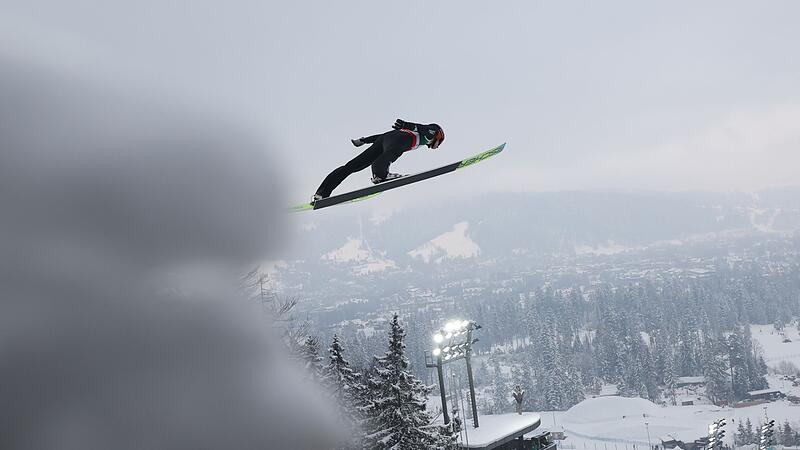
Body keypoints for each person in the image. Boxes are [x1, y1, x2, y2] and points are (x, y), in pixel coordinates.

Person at [312, 119, 445, 202]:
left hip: (385, 140)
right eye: (440, 143)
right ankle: (381, 175)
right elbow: (422, 127)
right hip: (398, 140)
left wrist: (364, 140)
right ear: (439, 136)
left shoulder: (422, 139)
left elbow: (383, 136)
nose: (438, 146)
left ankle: (321, 194)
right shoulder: (432, 132)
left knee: (350, 167)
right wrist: (406, 124)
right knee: (393, 152)